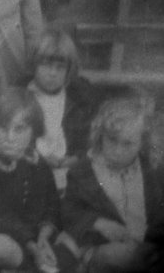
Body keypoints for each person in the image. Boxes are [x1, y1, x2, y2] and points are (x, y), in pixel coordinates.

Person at [0, 88, 78, 273]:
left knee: (72, 245)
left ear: (34, 129)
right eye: (2, 128)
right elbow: (0, 215)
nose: (10, 137)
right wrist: (33, 248)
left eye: (19, 129)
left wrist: (44, 238)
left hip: (37, 239)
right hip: (5, 236)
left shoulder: (36, 162)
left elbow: (52, 204)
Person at [63, 95, 164, 273]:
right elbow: (69, 213)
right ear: (100, 135)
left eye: (128, 144)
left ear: (142, 143)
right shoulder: (83, 172)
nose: (117, 151)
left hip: (146, 247)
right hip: (103, 250)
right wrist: (97, 223)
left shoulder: (151, 172)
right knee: (127, 256)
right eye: (112, 140)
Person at [27, 27, 99, 189]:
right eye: (46, 65)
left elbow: (90, 138)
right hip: (33, 168)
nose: (52, 73)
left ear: (69, 70)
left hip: (70, 168)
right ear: (34, 64)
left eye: (60, 67)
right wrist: (39, 157)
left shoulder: (80, 98)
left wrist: (76, 158)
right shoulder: (24, 97)